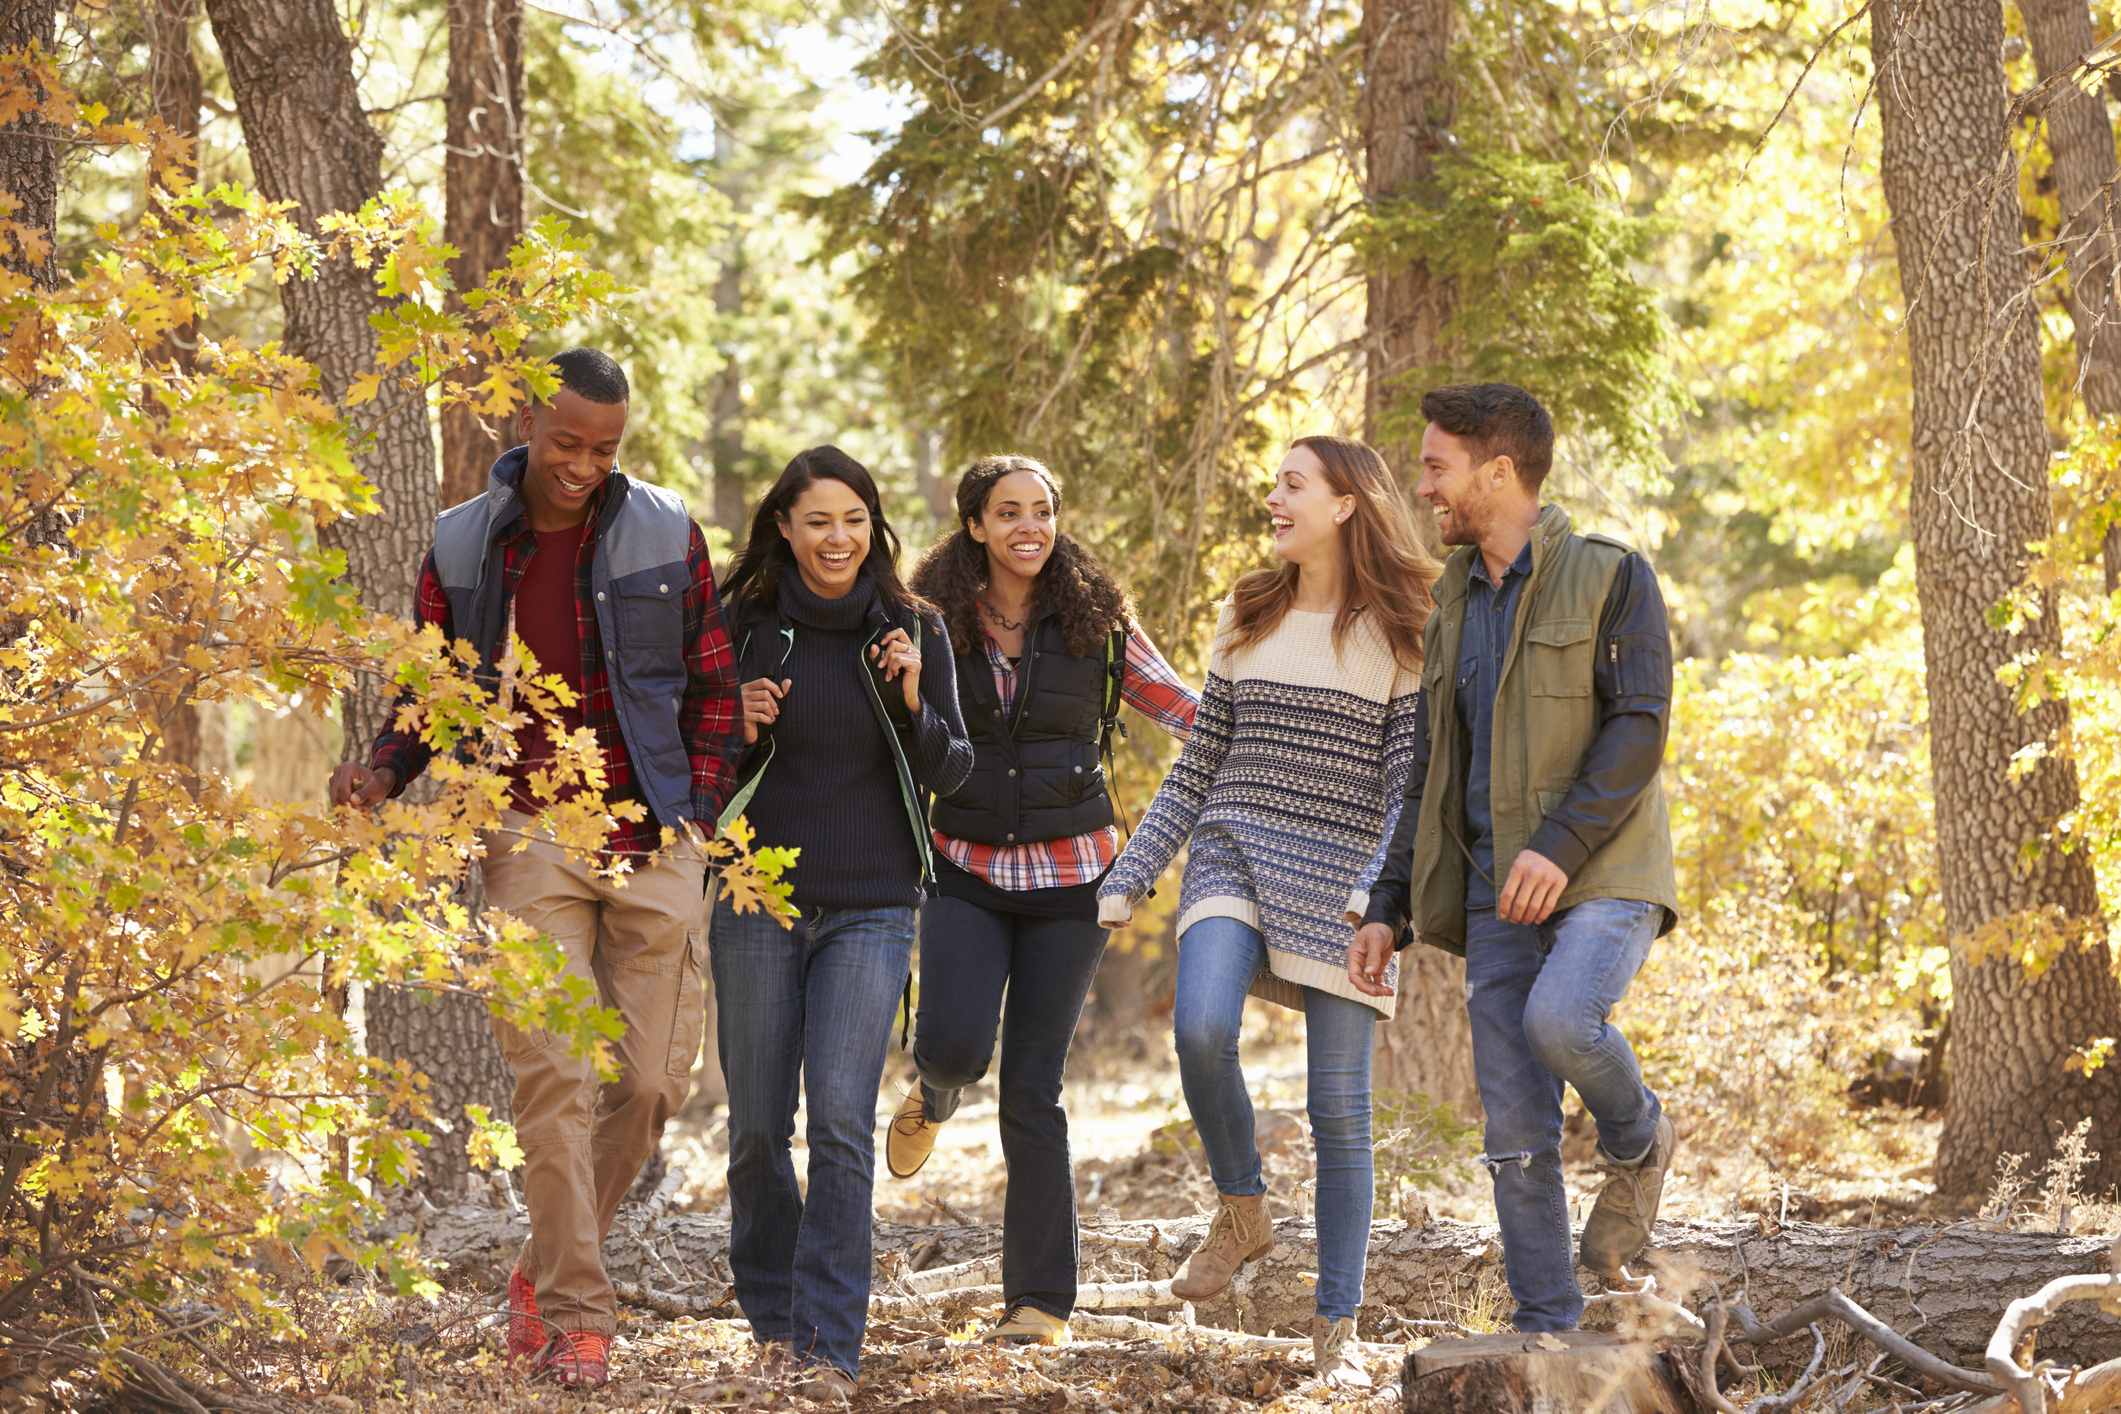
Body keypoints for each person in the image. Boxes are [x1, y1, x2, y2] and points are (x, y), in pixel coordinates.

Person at [328, 348, 740, 1389]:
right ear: (531, 424)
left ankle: (544, 1264)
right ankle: (579, 1317)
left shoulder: (666, 531)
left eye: (606, 449)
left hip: (649, 836)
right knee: (554, 1072)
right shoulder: (463, 543)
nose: (585, 465)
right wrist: (383, 771)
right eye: (567, 443)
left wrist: (690, 814)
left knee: (647, 1086)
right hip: (528, 833)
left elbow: (714, 688)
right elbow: (432, 694)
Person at [1097, 435, 1437, 1388]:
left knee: (1339, 1113)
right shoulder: (1246, 614)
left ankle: (1336, 1335)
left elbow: (1404, 787)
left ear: (1346, 504)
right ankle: (1243, 1209)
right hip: (1233, 848)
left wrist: (1381, 900)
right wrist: (1133, 868)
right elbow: (1200, 766)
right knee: (1200, 1027)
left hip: (1345, 878)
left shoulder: (1403, 634)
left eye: (1292, 486)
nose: (1273, 500)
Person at [1350, 382, 1680, 1335]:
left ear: (1499, 473)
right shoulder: (1451, 601)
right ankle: (1546, 1325)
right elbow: (1428, 769)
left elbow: (1639, 728)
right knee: (1514, 1131)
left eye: (1436, 468)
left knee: (1562, 1021)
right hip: (1496, 890)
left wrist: (1556, 846)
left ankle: (1638, 1135)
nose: (1423, 489)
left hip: (1604, 871)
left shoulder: (1611, 572)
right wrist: (1387, 902)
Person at [885, 455, 1200, 1345]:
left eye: (1044, 511)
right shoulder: (931, 620)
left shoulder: (1096, 621)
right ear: (974, 526)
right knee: (949, 1047)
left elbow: (1180, 708)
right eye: (1008, 512)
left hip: (1075, 879)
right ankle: (936, 1095)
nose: (1030, 526)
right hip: (965, 865)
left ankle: (1038, 1303)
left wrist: (1277, 724)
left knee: (1034, 1088)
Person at [713, 446, 972, 1404]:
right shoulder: (743, 626)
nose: (838, 538)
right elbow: (697, 768)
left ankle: (825, 1345)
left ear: (875, 526)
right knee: (753, 1129)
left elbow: (954, 772)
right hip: (756, 899)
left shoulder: (912, 628)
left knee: (839, 1123)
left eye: (854, 520)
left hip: (870, 904)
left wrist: (911, 703)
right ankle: (772, 1319)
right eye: (818, 520)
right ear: (783, 526)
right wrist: (734, 725)